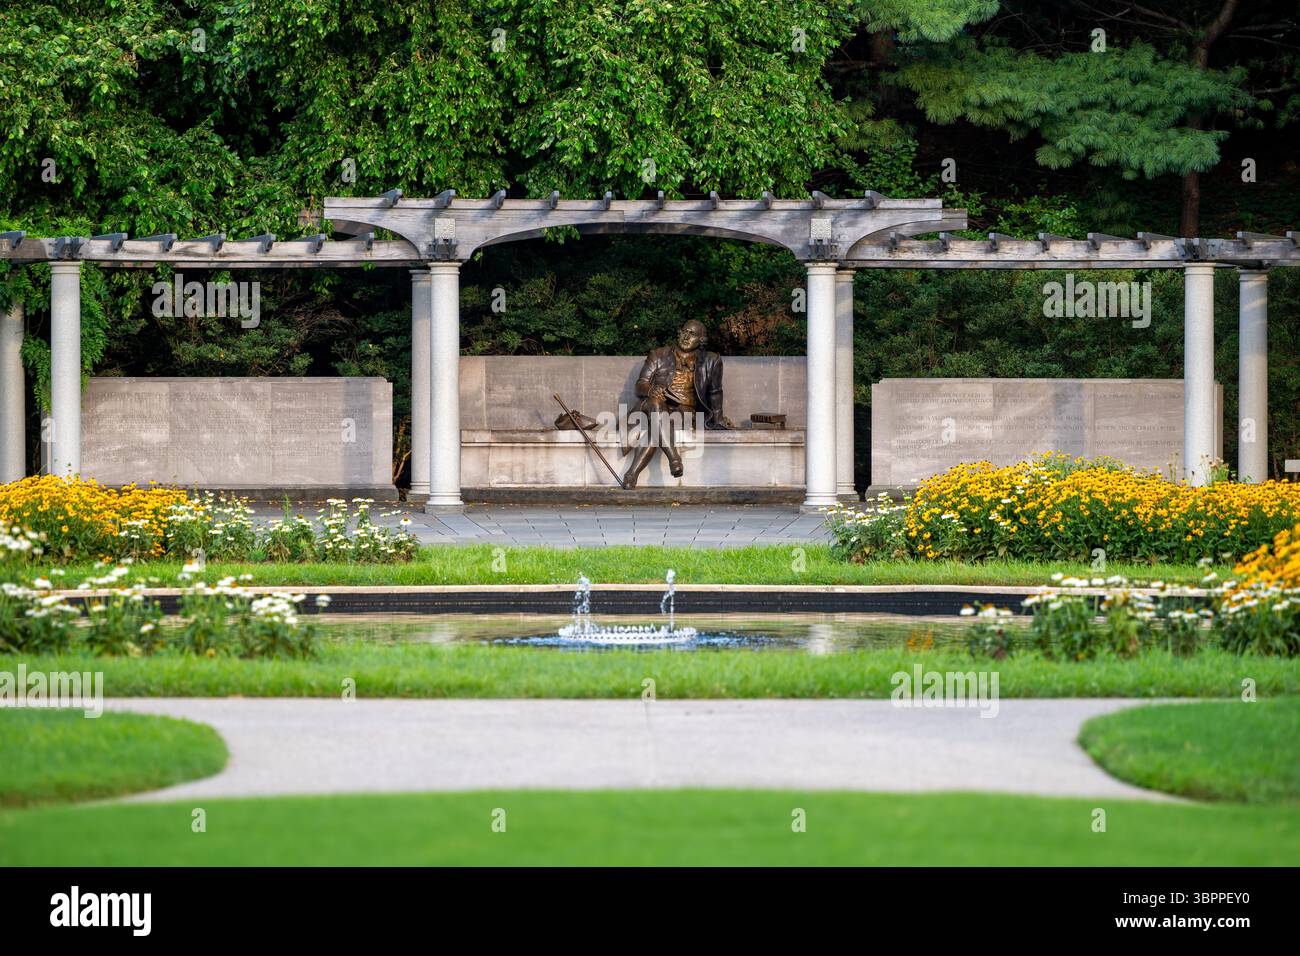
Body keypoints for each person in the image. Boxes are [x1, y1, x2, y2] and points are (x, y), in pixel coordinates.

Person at [621, 319, 736, 488]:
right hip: (650, 406)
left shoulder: (712, 361)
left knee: (659, 427)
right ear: (679, 332)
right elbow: (640, 385)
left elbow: (715, 392)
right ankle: (674, 458)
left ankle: (631, 474)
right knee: (657, 405)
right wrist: (650, 390)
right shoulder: (658, 354)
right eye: (685, 332)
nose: (686, 336)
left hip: (683, 412)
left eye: (693, 334)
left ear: (701, 340)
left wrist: (717, 418)